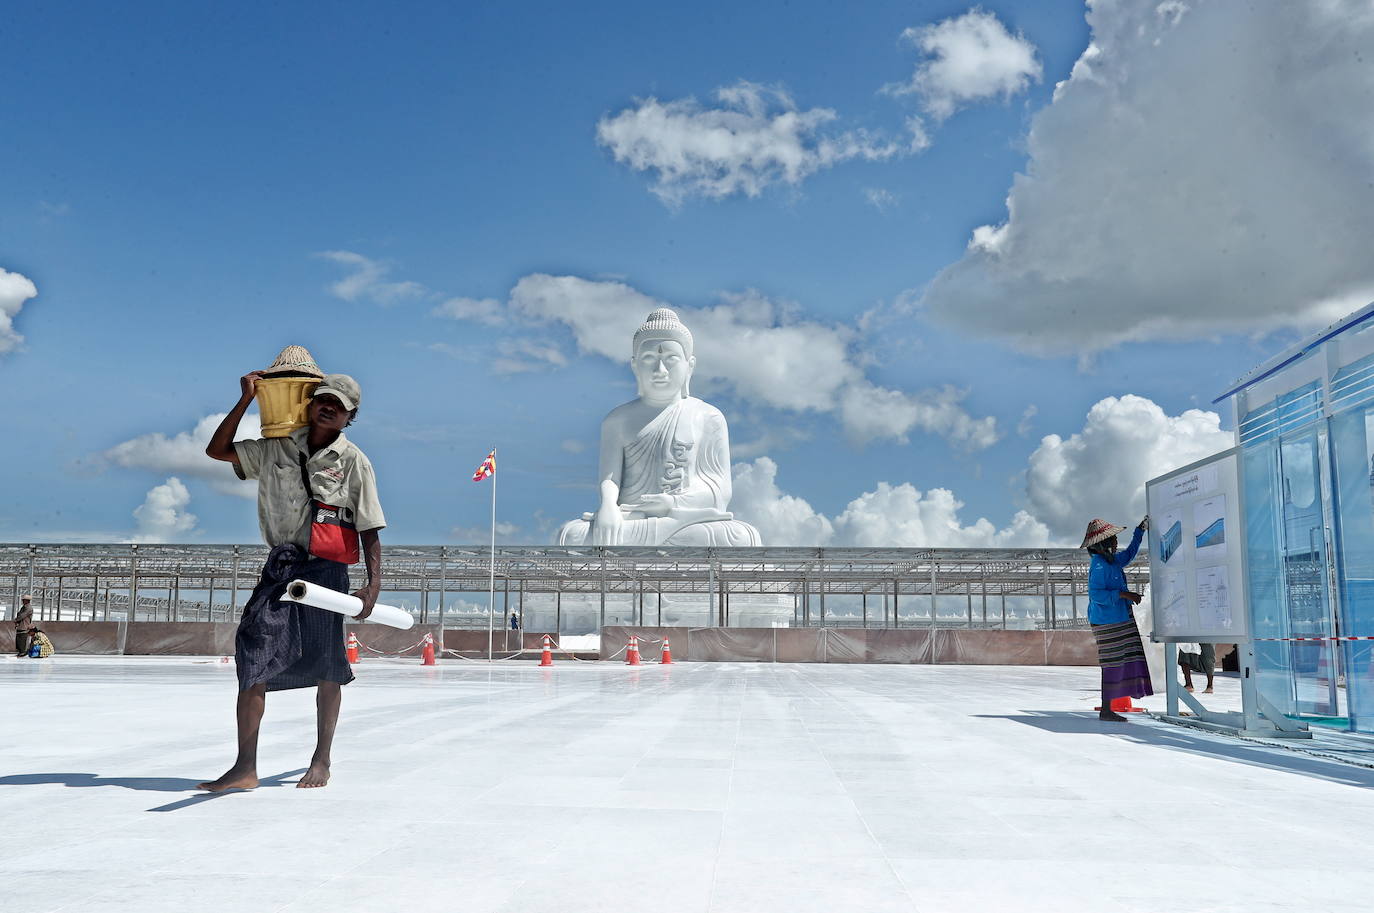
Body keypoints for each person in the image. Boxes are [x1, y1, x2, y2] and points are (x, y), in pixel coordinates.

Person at [198, 370, 386, 791]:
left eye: (337, 406)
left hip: (326, 569)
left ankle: (322, 759)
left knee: (328, 663)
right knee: (252, 653)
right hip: (281, 564)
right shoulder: (276, 448)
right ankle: (245, 767)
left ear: (349, 416)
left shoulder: (353, 461)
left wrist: (372, 586)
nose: (327, 408)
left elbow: (370, 526)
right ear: (309, 402)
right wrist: (245, 399)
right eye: (322, 399)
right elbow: (217, 451)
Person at [1083, 516, 1154, 722]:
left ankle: (1110, 706)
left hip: (1119, 618)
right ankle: (1106, 710)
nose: (1115, 542)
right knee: (1112, 663)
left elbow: (1130, 554)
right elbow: (1096, 594)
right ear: (1102, 543)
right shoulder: (1099, 565)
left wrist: (1139, 532)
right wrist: (1125, 595)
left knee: (1125, 660)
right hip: (1107, 621)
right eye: (1112, 539)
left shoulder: (1111, 561)